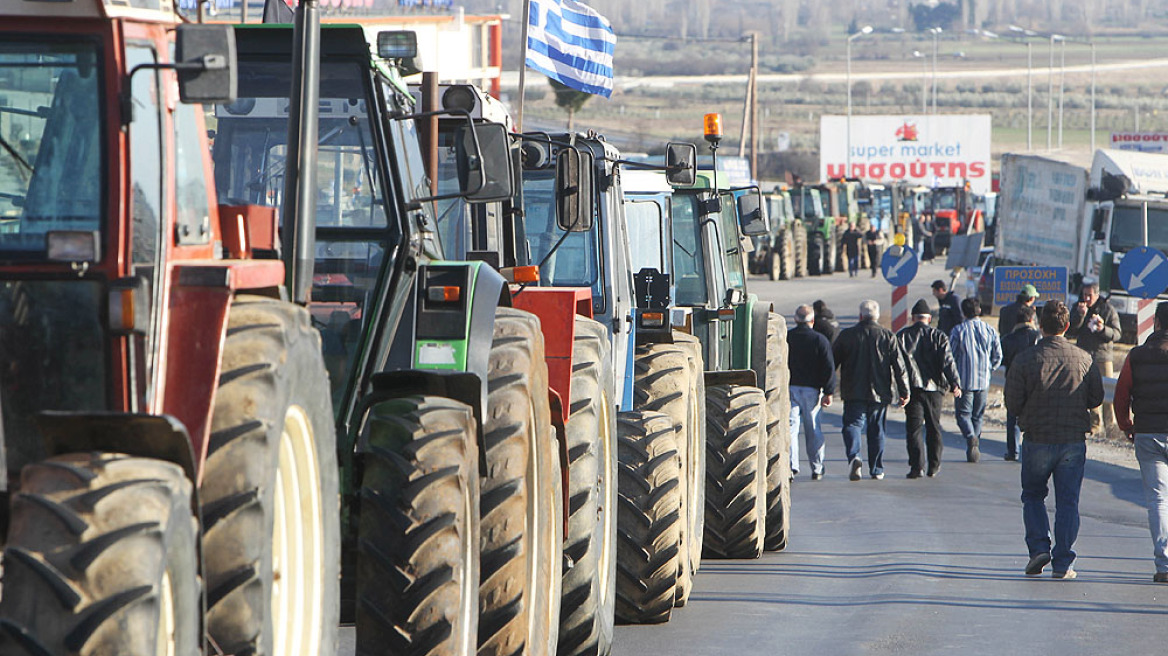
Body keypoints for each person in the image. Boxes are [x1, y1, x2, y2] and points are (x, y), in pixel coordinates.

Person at [1005, 301, 1104, 580]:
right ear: (1068, 326)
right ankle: (1063, 562)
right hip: (1072, 440)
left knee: (1033, 495)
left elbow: (1012, 402)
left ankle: (1038, 547)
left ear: (1040, 324)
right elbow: (1096, 397)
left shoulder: (1025, 359)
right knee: (1068, 502)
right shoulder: (1084, 359)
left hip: (1037, 438)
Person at [1114, 301, 1168, 583]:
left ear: (1156, 323)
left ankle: (1164, 564)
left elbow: (1121, 395)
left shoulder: (1136, 356)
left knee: (1158, 499)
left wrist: (1126, 426)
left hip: (1148, 434)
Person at [832, 299, 911, 481]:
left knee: (852, 425)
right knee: (876, 430)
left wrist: (827, 387)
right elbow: (900, 366)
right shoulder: (888, 336)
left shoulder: (847, 335)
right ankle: (876, 469)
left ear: (861, 315)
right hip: (880, 391)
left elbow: (832, 363)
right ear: (877, 316)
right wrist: (904, 391)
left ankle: (855, 457)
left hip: (853, 390)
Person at [897, 299, 962, 478]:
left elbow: (897, 365)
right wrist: (955, 383)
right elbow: (948, 361)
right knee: (934, 427)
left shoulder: (902, 336)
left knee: (914, 428)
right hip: (935, 390)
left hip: (912, 389)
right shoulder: (939, 336)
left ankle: (916, 466)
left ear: (912, 318)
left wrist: (899, 390)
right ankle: (934, 465)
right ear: (929, 318)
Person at [949, 297, 1002, 463]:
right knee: (977, 416)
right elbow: (998, 356)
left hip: (964, 381)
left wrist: (953, 377)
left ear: (964, 312)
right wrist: (989, 369)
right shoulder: (990, 329)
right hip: (983, 381)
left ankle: (971, 437)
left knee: (963, 415)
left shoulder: (958, 331)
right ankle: (974, 445)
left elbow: (951, 356)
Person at [787, 305, 837, 480]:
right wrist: (829, 391)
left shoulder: (787, 338)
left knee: (791, 429)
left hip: (790, 389)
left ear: (795, 319)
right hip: (812, 390)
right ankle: (817, 467)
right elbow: (828, 367)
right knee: (813, 429)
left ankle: (791, 467)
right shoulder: (820, 340)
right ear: (812, 321)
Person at [1067, 281, 1121, 430]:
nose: (1086, 299)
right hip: (1083, 356)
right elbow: (1071, 330)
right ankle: (1093, 425)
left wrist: (1103, 329)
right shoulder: (1078, 308)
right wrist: (1080, 316)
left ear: (1097, 295)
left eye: (1090, 295)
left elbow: (1117, 334)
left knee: (1107, 392)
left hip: (1103, 357)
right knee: (1087, 391)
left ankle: (1110, 425)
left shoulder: (1108, 309)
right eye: (1084, 295)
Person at [1000, 304, 1042, 461]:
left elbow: (1001, 359)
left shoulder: (1007, 339)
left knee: (1012, 418)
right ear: (1031, 319)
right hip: (1034, 383)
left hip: (1013, 382)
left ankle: (1013, 451)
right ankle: (1032, 451)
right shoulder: (1037, 338)